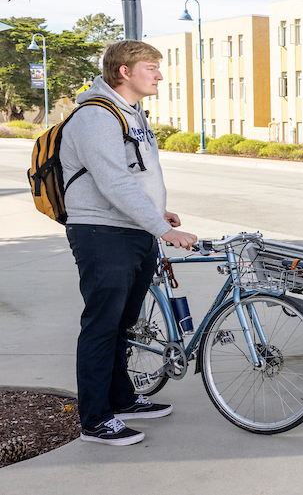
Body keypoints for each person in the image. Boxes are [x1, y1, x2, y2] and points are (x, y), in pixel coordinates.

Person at [62, 40, 198, 446]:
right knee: (102, 325)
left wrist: (160, 212)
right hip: (102, 232)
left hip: (132, 231)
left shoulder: (132, 113)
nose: (159, 75)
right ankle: (95, 421)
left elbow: (136, 174)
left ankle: (121, 399)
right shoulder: (96, 116)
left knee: (124, 323)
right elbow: (113, 181)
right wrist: (161, 228)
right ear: (124, 71)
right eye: (152, 68)